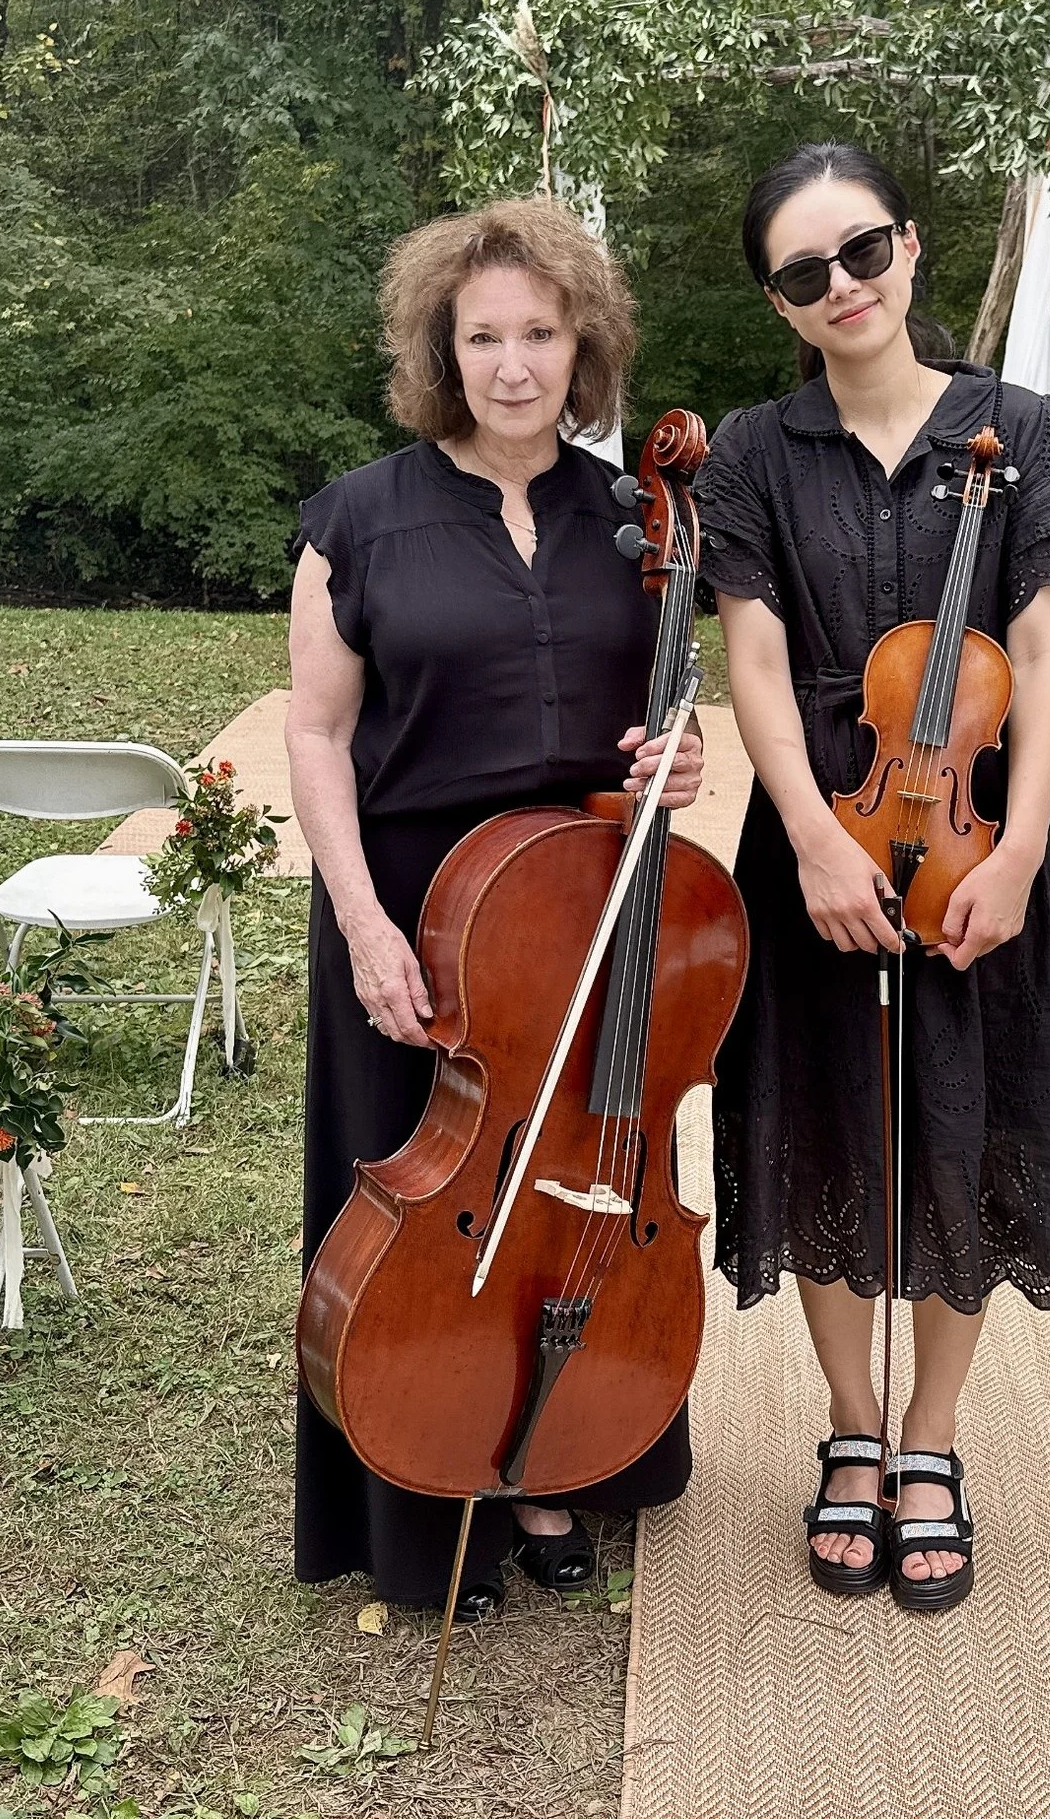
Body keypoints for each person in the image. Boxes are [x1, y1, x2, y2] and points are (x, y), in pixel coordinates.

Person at [696, 143, 1050, 1613]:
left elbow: (1047, 651)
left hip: (980, 841)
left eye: (863, 251)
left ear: (912, 247)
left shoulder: (1027, 433)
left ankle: (933, 1437)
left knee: (967, 1123)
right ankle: (852, 1426)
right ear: (778, 301)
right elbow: (755, 660)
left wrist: (1019, 848)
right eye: (804, 273)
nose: (843, 287)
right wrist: (812, 837)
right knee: (821, 1118)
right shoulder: (754, 453)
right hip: (816, 834)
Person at [285, 198, 704, 1620]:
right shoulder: (360, 518)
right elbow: (317, 735)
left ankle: (556, 1453)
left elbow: (661, 715)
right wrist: (361, 923)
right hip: (417, 904)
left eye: (540, 333)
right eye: (483, 337)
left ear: (584, 346)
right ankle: (423, 1493)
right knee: (421, 1203)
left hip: (588, 905)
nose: (513, 364)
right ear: (440, 350)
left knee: (576, 1181)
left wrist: (679, 759)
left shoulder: (636, 519)